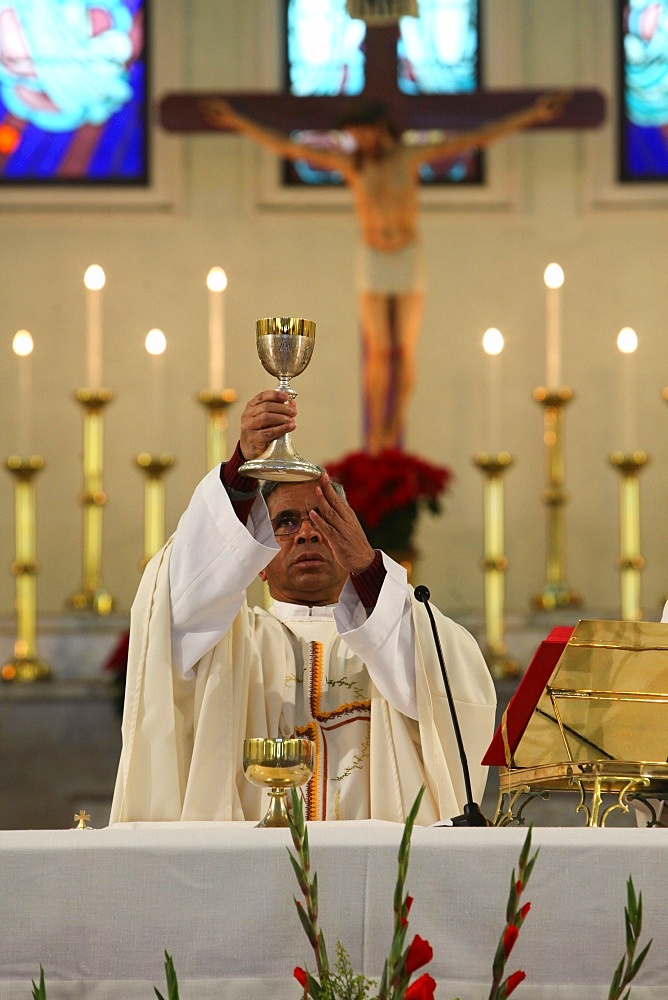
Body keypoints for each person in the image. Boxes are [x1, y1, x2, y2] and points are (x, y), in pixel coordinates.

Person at [109, 389, 497, 825]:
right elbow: (175, 602)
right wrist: (241, 469)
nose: (308, 535)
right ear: (251, 557)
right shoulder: (227, 642)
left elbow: (445, 687)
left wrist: (368, 568)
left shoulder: (399, 627)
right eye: (286, 522)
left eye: (324, 519)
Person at [203, 93, 569, 455]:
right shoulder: (353, 164)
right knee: (379, 351)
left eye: (364, 133)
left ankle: (393, 430)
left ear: (380, 129)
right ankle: (377, 435)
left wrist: (533, 115)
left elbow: (474, 139)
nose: (359, 141)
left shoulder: (407, 156)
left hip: (407, 254)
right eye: (354, 135)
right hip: (373, 256)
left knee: (404, 349)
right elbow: (290, 149)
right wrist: (236, 121)